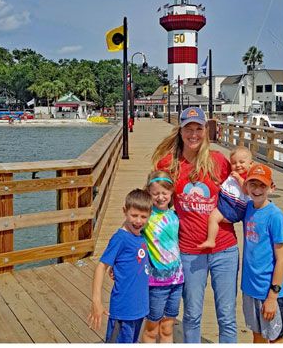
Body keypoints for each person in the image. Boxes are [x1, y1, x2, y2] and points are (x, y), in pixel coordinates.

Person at [151, 106, 239, 343]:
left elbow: (243, 189)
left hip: (225, 249)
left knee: (227, 316)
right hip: (189, 251)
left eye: (198, 128)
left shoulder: (219, 161)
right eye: (188, 129)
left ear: (205, 131)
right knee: (191, 315)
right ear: (180, 131)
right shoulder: (169, 163)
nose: (193, 134)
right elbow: (152, 201)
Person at [88, 188, 152, 343]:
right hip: (123, 310)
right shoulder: (120, 238)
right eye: (134, 215)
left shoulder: (141, 236)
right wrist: (96, 301)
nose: (138, 221)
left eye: (143, 217)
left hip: (139, 307)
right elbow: (101, 267)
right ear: (125, 211)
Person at [238, 163, 283, 343]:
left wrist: (272, 296)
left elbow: (281, 260)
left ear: (271, 187)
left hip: (269, 290)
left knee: (275, 338)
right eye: (253, 184)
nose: (257, 189)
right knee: (257, 335)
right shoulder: (249, 208)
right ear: (246, 187)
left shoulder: (275, 216)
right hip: (250, 288)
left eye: (262, 185)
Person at [141, 172, 184, 344]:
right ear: (148, 194)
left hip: (177, 280)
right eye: (155, 193)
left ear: (171, 193)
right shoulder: (145, 218)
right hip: (156, 283)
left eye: (165, 193)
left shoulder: (175, 216)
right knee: (152, 328)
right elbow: (126, 236)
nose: (160, 197)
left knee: (167, 327)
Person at [199, 146, 255, 251]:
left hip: (234, 207)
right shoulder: (232, 174)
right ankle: (211, 240)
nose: (238, 165)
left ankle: (211, 239)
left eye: (242, 162)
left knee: (213, 218)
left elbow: (247, 191)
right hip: (227, 202)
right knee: (212, 218)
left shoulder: (249, 176)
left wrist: (238, 178)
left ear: (251, 164)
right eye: (234, 163)